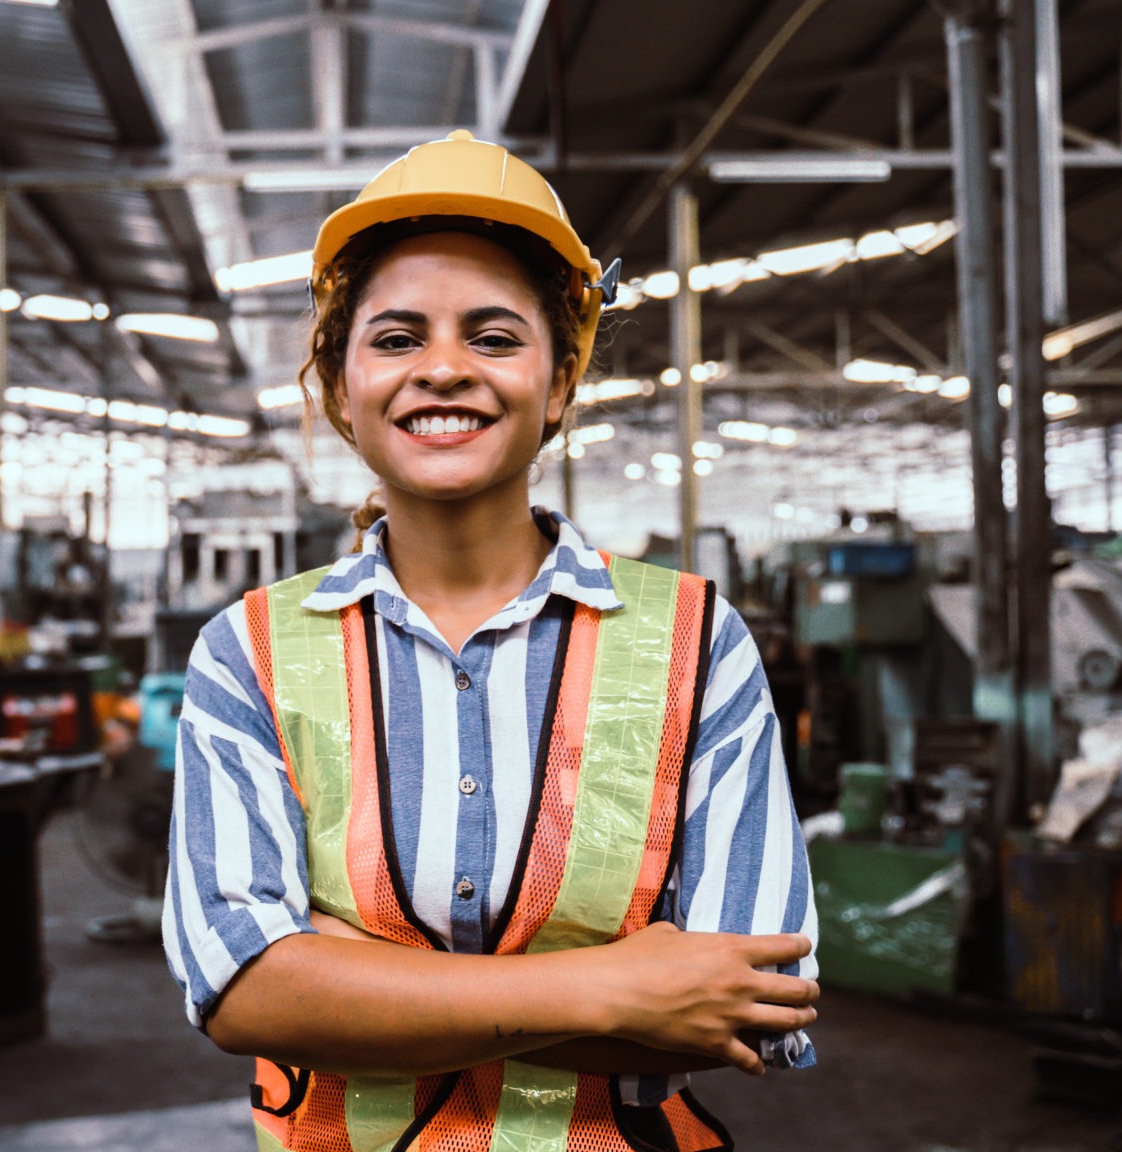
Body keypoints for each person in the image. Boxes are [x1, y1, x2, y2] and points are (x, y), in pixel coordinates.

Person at [163, 130, 819, 1152]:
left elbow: (745, 1004)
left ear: (557, 385)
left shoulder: (696, 641)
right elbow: (239, 989)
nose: (441, 370)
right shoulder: (246, 651)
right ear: (340, 388)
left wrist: (348, 979)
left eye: (492, 335)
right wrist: (615, 984)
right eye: (394, 338)